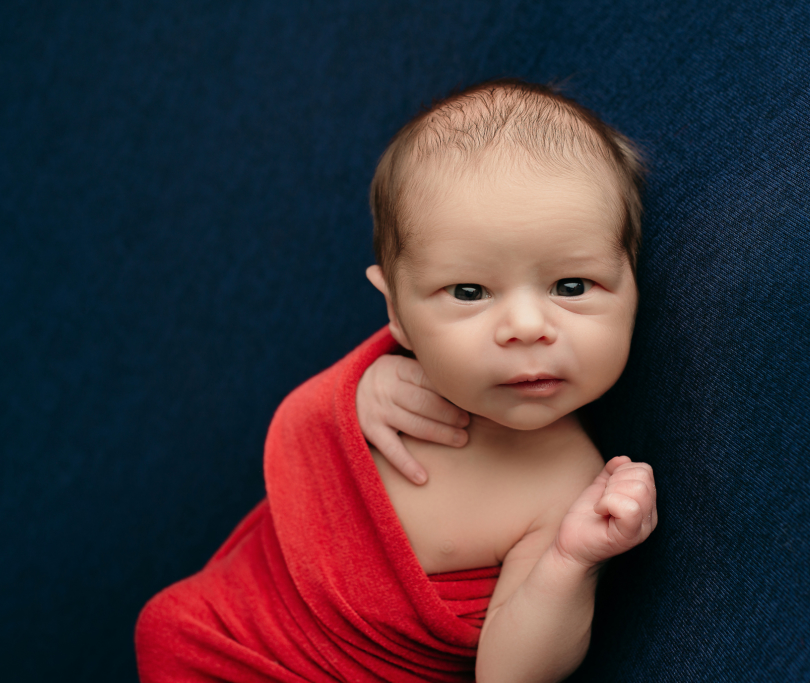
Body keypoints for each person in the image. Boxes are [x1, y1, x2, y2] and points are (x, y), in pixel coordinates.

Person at [135, 78, 657, 683]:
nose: (526, 326)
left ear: (634, 287)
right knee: (169, 626)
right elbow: (306, 438)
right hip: (240, 638)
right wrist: (352, 397)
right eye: (468, 292)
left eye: (571, 286)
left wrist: (571, 560)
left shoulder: (569, 487)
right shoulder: (385, 381)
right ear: (396, 313)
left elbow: (509, 673)